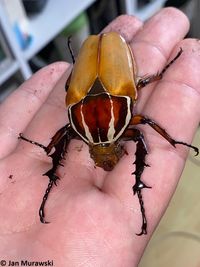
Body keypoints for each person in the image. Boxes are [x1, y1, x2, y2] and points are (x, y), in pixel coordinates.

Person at [0, 7, 199, 266]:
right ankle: (135, 184)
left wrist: (52, 157)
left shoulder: (75, 127)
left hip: (104, 69)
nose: (104, 155)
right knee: (139, 130)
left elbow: (63, 134)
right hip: (103, 71)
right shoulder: (87, 123)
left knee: (128, 129)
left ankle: (69, 178)